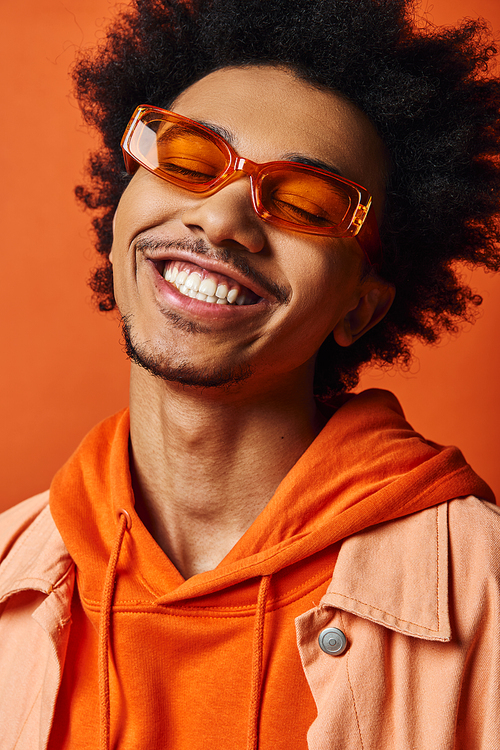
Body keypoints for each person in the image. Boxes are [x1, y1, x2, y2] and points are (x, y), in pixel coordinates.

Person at [1, 0, 500, 747]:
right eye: (190, 159)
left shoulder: (485, 590)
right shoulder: (12, 576)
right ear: (120, 208)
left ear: (360, 310)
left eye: (306, 202)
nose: (224, 220)